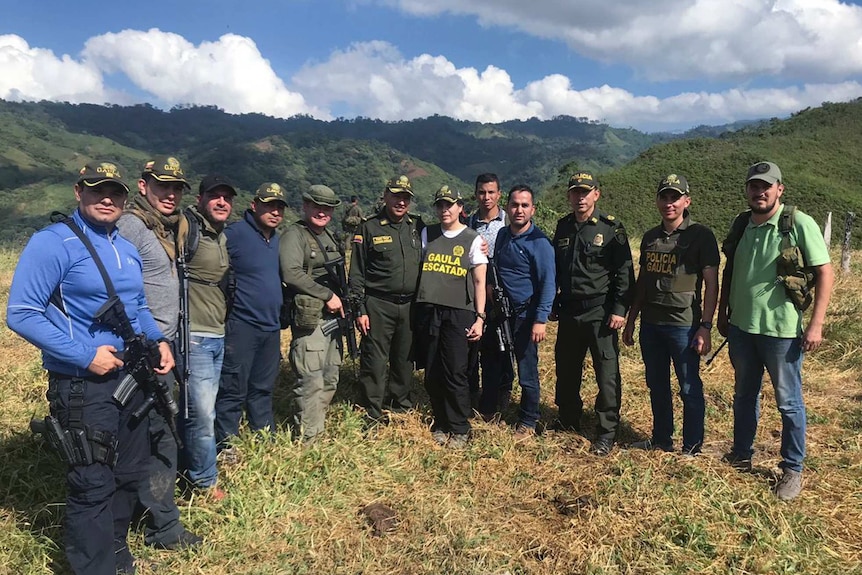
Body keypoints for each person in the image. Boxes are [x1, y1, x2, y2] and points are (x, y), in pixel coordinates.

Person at [7, 161, 174, 575]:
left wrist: (158, 341)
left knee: (128, 473)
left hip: (131, 376)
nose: (107, 199)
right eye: (97, 190)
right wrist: (85, 354)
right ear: (78, 191)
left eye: (114, 192)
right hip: (83, 383)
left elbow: (136, 308)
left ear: (124, 198)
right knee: (92, 481)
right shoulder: (54, 242)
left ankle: (116, 555)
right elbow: (22, 313)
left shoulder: (127, 248)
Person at [717, 161, 833, 500]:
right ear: (748, 189)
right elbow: (731, 270)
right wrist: (725, 311)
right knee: (744, 395)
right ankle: (741, 453)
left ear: (779, 189)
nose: (760, 192)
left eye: (767, 186)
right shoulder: (742, 224)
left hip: (781, 331)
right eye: (754, 186)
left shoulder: (797, 223)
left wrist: (816, 324)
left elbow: (825, 272)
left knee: (788, 402)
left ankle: (792, 468)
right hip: (742, 328)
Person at [116, 156, 202, 550]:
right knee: (153, 437)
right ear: (143, 185)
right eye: (162, 185)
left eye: (177, 187)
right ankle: (162, 527)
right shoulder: (129, 225)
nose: (171, 193)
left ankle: (148, 515)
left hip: (164, 346)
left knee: (157, 434)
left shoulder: (175, 228)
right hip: (138, 350)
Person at [622, 174, 719, 455]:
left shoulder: (701, 236)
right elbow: (643, 281)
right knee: (657, 385)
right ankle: (662, 439)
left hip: (684, 325)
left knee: (689, 387)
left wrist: (706, 326)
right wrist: (632, 319)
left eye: (674, 197)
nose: (669, 203)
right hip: (651, 325)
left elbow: (712, 283)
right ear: (657, 201)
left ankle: (692, 447)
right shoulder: (651, 237)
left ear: (686, 201)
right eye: (664, 197)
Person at [552, 171, 634, 456]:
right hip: (570, 311)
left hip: (600, 313)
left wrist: (620, 310)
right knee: (566, 368)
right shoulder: (563, 227)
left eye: (585, 192)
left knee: (606, 374)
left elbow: (624, 272)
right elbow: (556, 270)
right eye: (575, 192)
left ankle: (606, 430)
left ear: (596, 194)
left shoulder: (611, 228)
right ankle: (568, 419)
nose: (580, 197)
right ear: (569, 196)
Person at [215, 182, 286, 456]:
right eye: (269, 205)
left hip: (271, 326)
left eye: (279, 207)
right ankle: (227, 445)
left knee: (263, 388)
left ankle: (264, 439)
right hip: (242, 325)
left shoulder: (277, 239)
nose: (275, 211)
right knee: (232, 388)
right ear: (254, 205)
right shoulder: (234, 234)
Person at [415, 186, 488, 449]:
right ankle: (441, 421)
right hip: (430, 309)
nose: (444, 210)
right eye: (440, 205)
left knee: (455, 370)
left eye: (450, 205)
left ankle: (460, 426)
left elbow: (480, 281)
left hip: (459, 312)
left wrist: (480, 317)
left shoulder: (472, 239)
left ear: (460, 207)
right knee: (433, 370)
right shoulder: (428, 233)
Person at [348, 176, 424, 426]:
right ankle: (372, 409)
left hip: (410, 304)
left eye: (406, 197)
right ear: (385, 196)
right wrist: (359, 308)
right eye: (396, 196)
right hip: (378, 304)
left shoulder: (417, 226)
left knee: (404, 357)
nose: (401, 201)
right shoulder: (369, 228)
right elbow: (357, 273)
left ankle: (400, 404)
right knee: (375, 359)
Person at [181, 174, 235, 497]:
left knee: (200, 408)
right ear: (201, 198)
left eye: (227, 197)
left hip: (217, 333)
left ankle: (186, 465)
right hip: (195, 334)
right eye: (215, 196)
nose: (222, 202)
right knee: (202, 413)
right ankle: (204, 482)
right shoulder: (188, 228)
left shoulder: (221, 235)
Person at [279, 185, 345, 444]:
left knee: (330, 375)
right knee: (310, 378)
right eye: (316, 206)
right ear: (305, 206)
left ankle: (317, 425)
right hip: (311, 317)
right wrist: (327, 296)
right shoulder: (294, 235)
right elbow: (291, 273)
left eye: (327, 208)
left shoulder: (329, 236)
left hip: (332, 318)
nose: (322, 212)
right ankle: (310, 439)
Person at [492, 185, 556, 439]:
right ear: (507, 207)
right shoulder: (503, 235)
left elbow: (548, 283)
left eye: (524, 205)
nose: (519, 210)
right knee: (500, 361)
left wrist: (540, 320)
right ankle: (499, 403)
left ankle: (529, 419)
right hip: (502, 312)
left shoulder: (539, 243)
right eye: (515, 204)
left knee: (527, 370)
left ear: (533, 209)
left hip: (525, 315)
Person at [467, 173, 514, 418]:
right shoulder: (469, 222)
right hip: (473, 293)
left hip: (500, 294)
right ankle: (473, 393)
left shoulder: (509, 221)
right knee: (474, 347)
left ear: (499, 194)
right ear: (476, 194)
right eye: (482, 192)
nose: (486, 197)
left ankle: (501, 393)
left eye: (491, 192)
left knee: (501, 347)